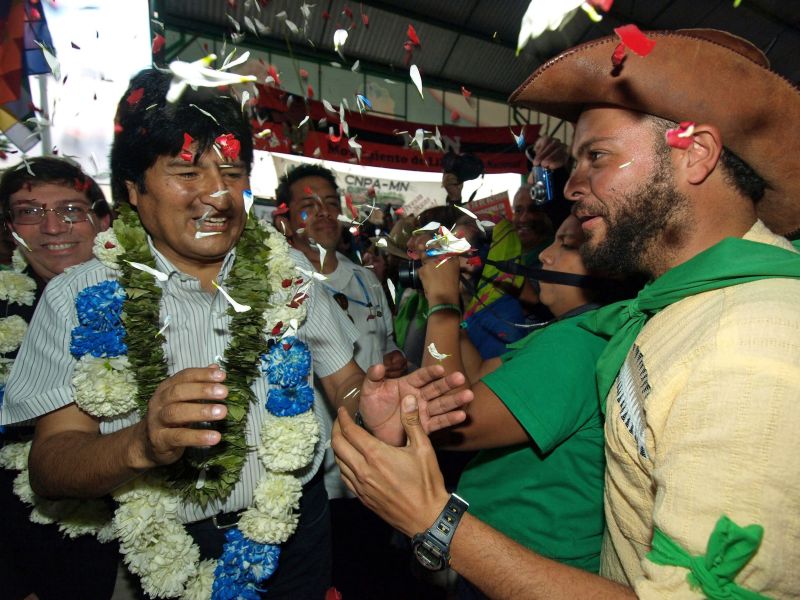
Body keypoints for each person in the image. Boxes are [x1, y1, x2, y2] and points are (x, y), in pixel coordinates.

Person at [333, 28, 800, 598]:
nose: (572, 188)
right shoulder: (674, 311)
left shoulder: (749, 346)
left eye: (596, 157)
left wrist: (437, 521)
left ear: (695, 154)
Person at [0, 68, 472, 600]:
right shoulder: (77, 296)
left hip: (298, 532)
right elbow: (50, 464)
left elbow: (346, 385)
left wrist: (372, 405)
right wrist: (140, 445)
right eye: (187, 172)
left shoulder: (289, 274)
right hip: (160, 548)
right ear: (133, 190)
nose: (218, 195)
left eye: (231, 171)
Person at [410, 214, 634, 599]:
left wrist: (442, 304)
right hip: (518, 556)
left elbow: (443, 416)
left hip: (529, 567)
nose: (544, 255)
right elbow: (475, 376)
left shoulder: (577, 345)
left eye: (566, 245)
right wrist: (453, 302)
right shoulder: (579, 331)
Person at [273, 162, 411, 597]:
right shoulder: (277, 285)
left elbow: (388, 345)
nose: (324, 213)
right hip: (311, 477)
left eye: (331, 204)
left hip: (372, 464)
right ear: (284, 219)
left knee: (368, 575)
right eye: (308, 205)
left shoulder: (367, 280)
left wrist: (393, 362)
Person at [0, 157, 118, 600]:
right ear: (10, 227)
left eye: (71, 210)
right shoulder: (5, 311)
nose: (52, 227)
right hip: (31, 557)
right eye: (29, 212)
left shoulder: (155, 295)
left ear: (103, 221)